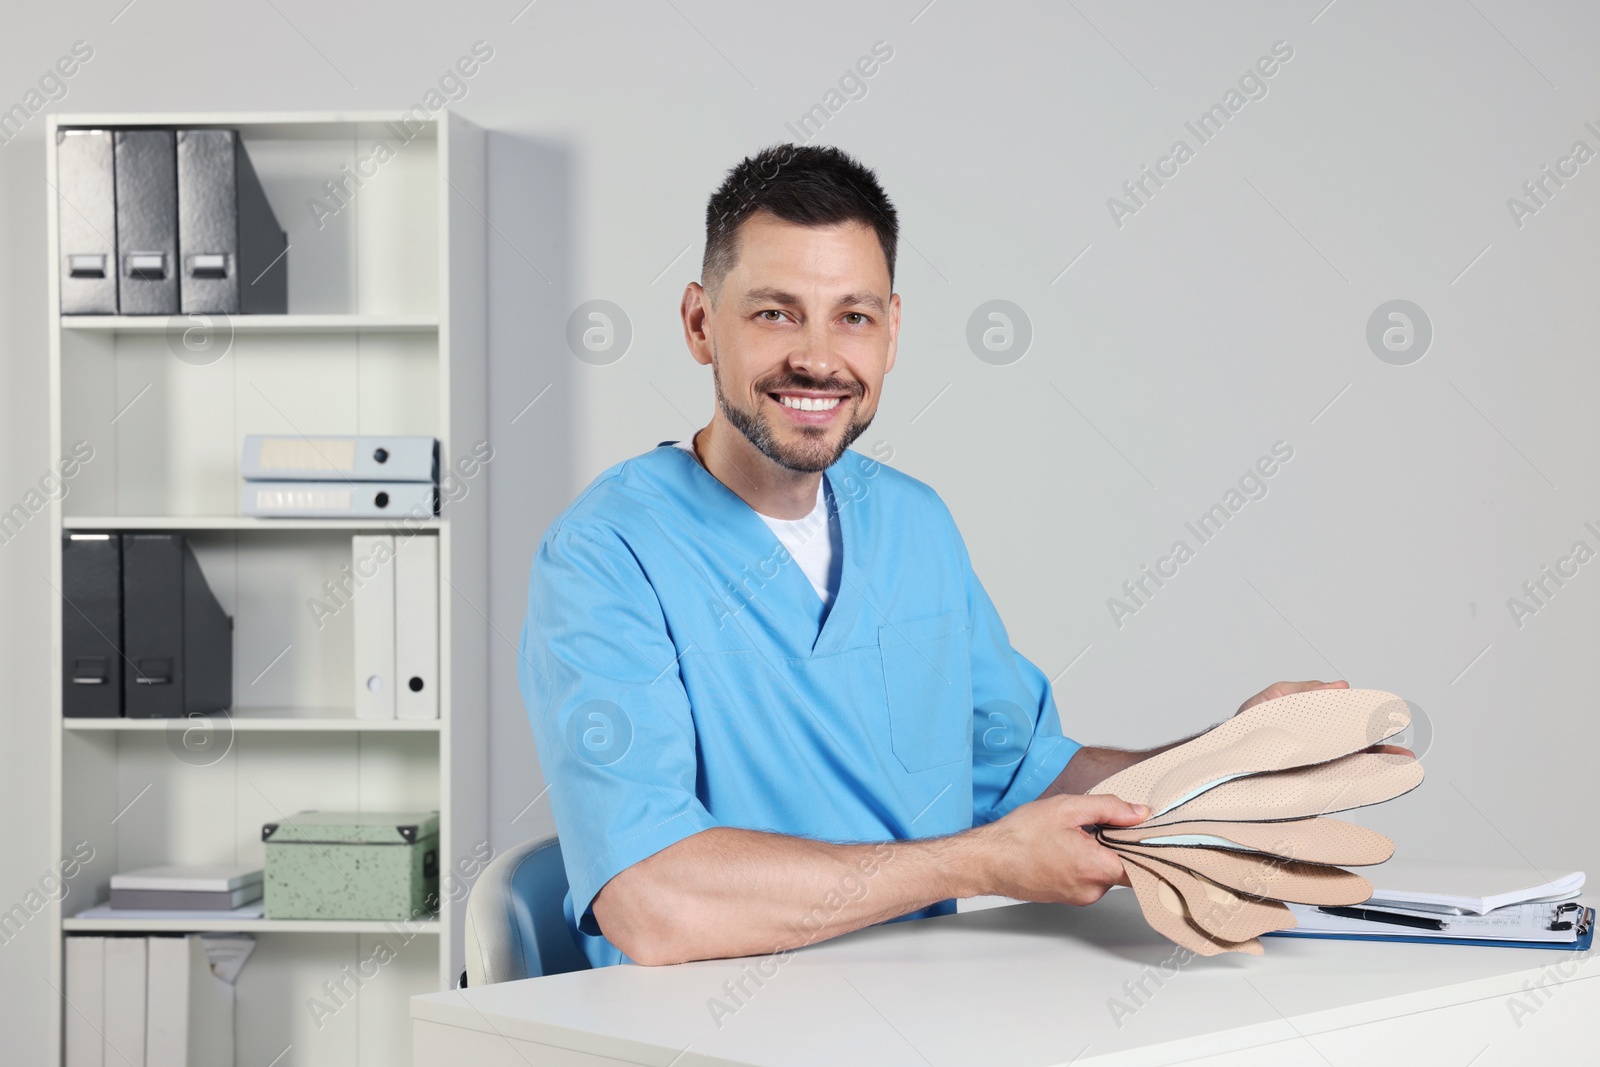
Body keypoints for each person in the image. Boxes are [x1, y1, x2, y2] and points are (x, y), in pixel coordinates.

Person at [518, 144, 1389, 969]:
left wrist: (1233, 755)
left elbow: (1026, 778)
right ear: (701, 323)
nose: (818, 357)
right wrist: (975, 865)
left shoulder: (912, 527)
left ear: (891, 332)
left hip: (924, 1010)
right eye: (775, 312)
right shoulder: (607, 556)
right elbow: (655, 899)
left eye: (852, 316)